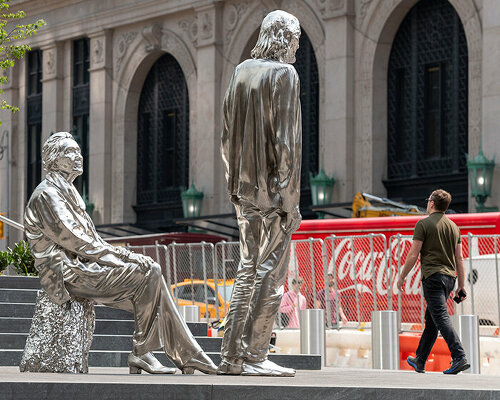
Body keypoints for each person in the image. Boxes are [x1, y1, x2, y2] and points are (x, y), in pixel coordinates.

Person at [24, 132, 217, 375]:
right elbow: (78, 242)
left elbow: (91, 241)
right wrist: (127, 257)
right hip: (67, 274)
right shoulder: (46, 195)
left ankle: (176, 354)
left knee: (152, 275)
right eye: (70, 152)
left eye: (78, 151)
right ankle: (158, 354)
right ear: (54, 159)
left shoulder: (68, 192)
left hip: (84, 266)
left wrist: (126, 258)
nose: (78, 156)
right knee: (149, 275)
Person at [218, 10, 302, 377]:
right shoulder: (284, 74)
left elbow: (225, 137)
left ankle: (230, 356)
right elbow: (287, 143)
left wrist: (234, 185)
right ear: (284, 38)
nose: (297, 45)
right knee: (271, 273)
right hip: (273, 195)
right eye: (295, 38)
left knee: (246, 269)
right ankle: (254, 355)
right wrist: (289, 200)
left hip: (243, 192)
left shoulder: (240, 72)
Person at [397, 189, 470, 374]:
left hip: (433, 278)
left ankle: (459, 356)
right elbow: (459, 259)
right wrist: (461, 285)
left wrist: (402, 276)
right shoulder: (454, 227)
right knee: (432, 320)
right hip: (449, 280)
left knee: (441, 317)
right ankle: (420, 360)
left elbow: (413, 254)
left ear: (431, 203)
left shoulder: (423, 224)